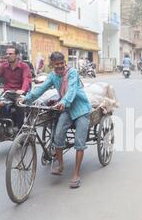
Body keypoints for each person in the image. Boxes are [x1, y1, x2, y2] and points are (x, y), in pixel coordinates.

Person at [21, 51, 92, 189]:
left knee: (79, 141)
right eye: (56, 64)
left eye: (61, 63)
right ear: (52, 65)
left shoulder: (72, 73)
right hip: (66, 110)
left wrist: (64, 102)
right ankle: (60, 165)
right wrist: (27, 98)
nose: (59, 66)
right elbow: (41, 89)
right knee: (58, 136)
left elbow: (71, 90)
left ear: (65, 62)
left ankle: (76, 174)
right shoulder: (53, 76)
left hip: (81, 109)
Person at [0, 46, 32, 129]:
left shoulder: (24, 66)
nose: (8, 55)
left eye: (10, 54)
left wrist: (22, 90)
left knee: (19, 106)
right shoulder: (3, 66)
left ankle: (20, 129)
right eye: (7, 54)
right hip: (7, 93)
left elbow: (27, 79)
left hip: (19, 93)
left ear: (17, 55)